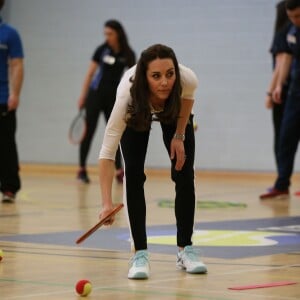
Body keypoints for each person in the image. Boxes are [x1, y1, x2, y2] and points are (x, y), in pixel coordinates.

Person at [98, 44, 207, 279]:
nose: (165, 82)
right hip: (138, 110)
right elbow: (107, 153)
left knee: (184, 173)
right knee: (134, 174)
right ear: (144, 77)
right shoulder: (127, 95)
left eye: (169, 74)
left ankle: (185, 249)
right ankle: (139, 254)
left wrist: (179, 136)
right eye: (156, 76)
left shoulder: (187, 79)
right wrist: (106, 203)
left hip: (173, 110)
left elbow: (187, 98)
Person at [77, 20, 135, 184]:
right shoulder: (101, 50)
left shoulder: (128, 53)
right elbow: (90, 74)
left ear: (118, 34)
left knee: (116, 133)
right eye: (105, 34)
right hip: (95, 96)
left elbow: (133, 78)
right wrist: (83, 96)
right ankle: (81, 169)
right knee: (88, 132)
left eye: (110, 34)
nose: (107, 37)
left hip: (114, 99)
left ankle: (119, 170)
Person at [260, 0, 300, 199]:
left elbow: (283, 59)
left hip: (290, 93)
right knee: (285, 138)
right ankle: (282, 183)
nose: (294, 20)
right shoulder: (291, 32)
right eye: (291, 16)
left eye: (297, 16)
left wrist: (273, 89)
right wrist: (277, 87)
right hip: (294, 93)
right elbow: (285, 60)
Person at [0, 0, 24, 203]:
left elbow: (17, 65)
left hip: (2, 98)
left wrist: (14, 93)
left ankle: (9, 187)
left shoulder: (9, 34)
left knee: (6, 144)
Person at [265, 1, 291, 172]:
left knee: (282, 138)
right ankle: (282, 179)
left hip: (284, 91)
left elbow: (280, 63)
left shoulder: (283, 32)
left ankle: (281, 180)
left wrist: (270, 91)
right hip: (289, 88)